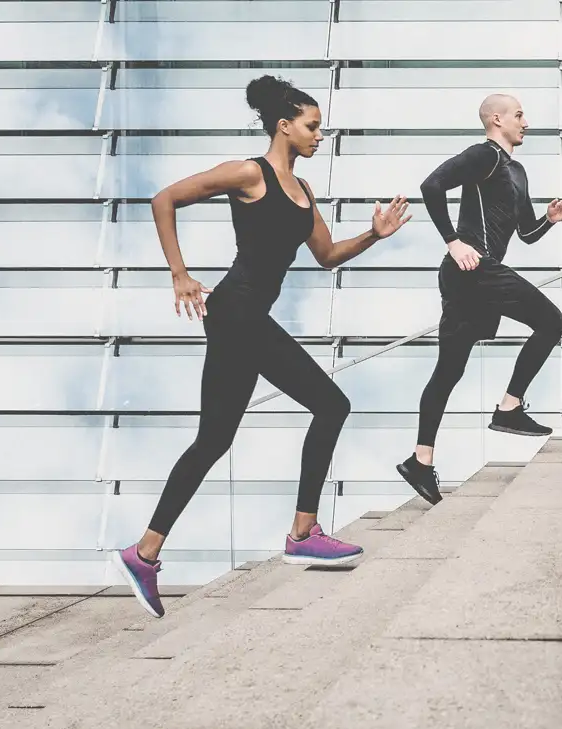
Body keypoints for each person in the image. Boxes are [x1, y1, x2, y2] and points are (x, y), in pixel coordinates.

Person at [112, 75, 412, 619]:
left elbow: (326, 254)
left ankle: (144, 553)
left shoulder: (302, 193)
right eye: (313, 126)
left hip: (246, 319)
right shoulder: (250, 173)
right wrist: (179, 274)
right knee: (331, 405)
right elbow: (165, 199)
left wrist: (374, 234)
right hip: (235, 314)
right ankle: (303, 531)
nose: (321, 135)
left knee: (213, 440)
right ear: (284, 126)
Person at [396, 94, 562, 506]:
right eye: (519, 114)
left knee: (450, 370)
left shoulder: (519, 171)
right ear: (497, 119)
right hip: (472, 269)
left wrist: (550, 219)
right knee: (551, 322)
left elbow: (526, 234)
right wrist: (453, 241)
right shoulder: (485, 155)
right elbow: (431, 186)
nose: (526, 121)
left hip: (477, 274)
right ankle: (509, 408)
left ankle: (420, 461)